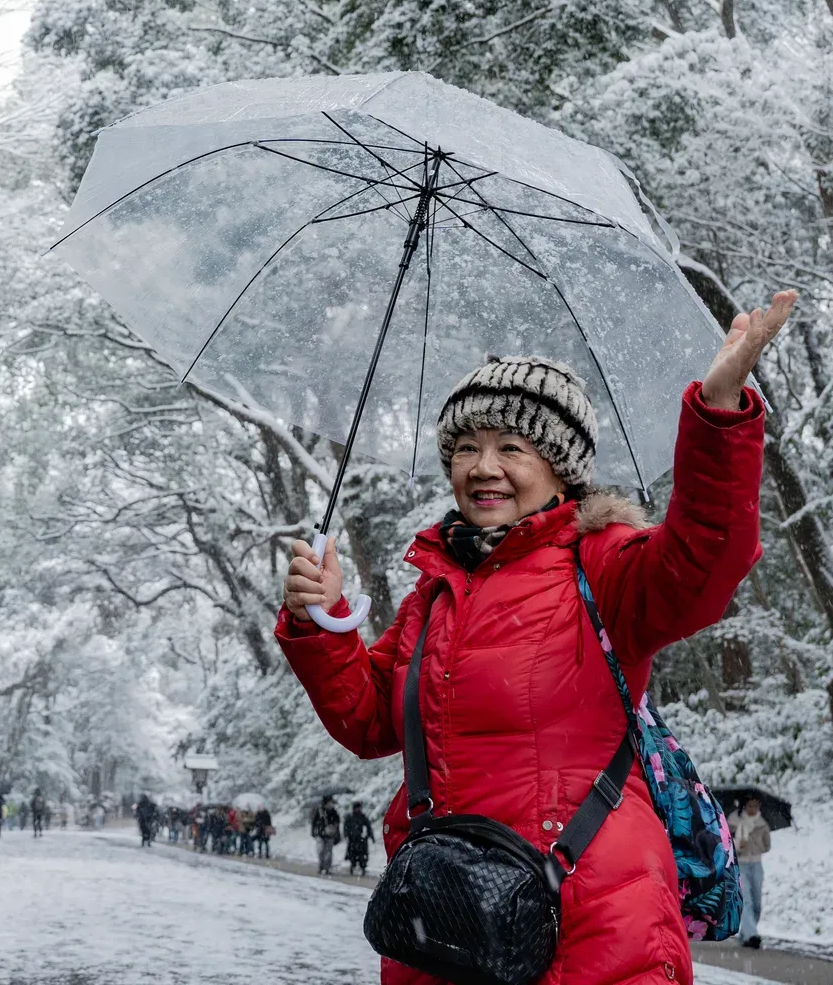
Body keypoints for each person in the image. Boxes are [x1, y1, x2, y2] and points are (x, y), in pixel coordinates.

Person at [279, 296, 794, 985]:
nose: (482, 467)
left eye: (511, 448)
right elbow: (369, 719)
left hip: (592, 925)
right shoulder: (435, 593)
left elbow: (706, 558)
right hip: (448, 924)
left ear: (562, 468)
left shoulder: (603, 564)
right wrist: (322, 618)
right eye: (465, 448)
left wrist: (719, 411)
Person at [729, 794, 773, 949]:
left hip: (756, 864)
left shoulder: (762, 824)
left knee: (756, 903)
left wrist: (755, 843)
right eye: (750, 806)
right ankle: (752, 934)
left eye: (756, 805)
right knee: (745, 899)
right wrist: (737, 844)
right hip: (740, 865)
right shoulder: (733, 822)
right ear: (744, 806)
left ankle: (746, 932)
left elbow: (767, 846)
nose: (753, 809)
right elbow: (725, 842)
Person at [311, 794, 342, 874]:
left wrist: (335, 829)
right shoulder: (320, 811)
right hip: (320, 834)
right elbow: (314, 822)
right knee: (321, 851)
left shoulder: (333, 811)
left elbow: (338, 822)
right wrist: (313, 831)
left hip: (330, 834)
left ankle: (327, 868)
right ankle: (321, 866)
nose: (330, 804)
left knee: (328, 852)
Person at [343, 799, 374, 876]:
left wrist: (371, 836)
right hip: (353, 840)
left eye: (359, 808)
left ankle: (363, 868)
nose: (358, 809)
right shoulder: (350, 817)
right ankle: (352, 866)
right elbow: (346, 827)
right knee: (352, 855)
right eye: (356, 808)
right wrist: (346, 835)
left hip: (362, 840)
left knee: (362, 856)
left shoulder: (363, 817)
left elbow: (368, 827)